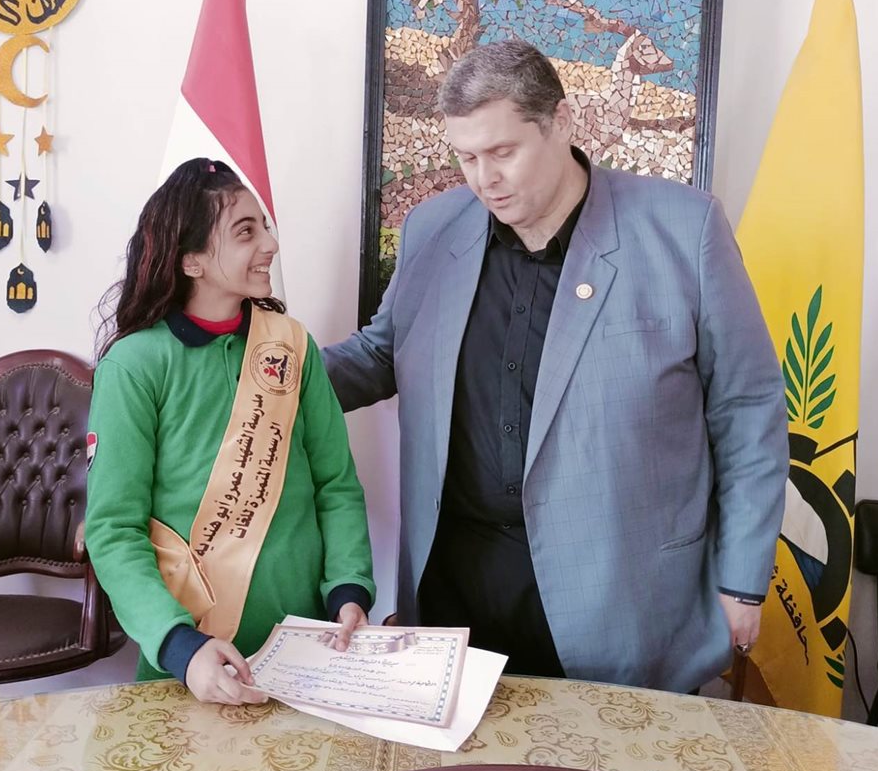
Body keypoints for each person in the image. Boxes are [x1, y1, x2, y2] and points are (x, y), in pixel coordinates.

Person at [324, 40, 788, 694]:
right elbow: (379, 355)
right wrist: (261, 371)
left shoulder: (685, 229)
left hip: (620, 596)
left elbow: (747, 410)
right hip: (455, 590)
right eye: (466, 158)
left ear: (561, 123)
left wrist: (742, 581)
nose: (484, 179)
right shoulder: (432, 228)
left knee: (617, 763)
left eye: (503, 152)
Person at [87, 158, 375, 705]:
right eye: (246, 232)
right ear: (191, 259)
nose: (271, 244)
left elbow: (335, 485)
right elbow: (114, 530)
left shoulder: (291, 346)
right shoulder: (134, 366)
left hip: (309, 651)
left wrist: (349, 589)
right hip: (190, 662)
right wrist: (179, 646)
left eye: (264, 226)